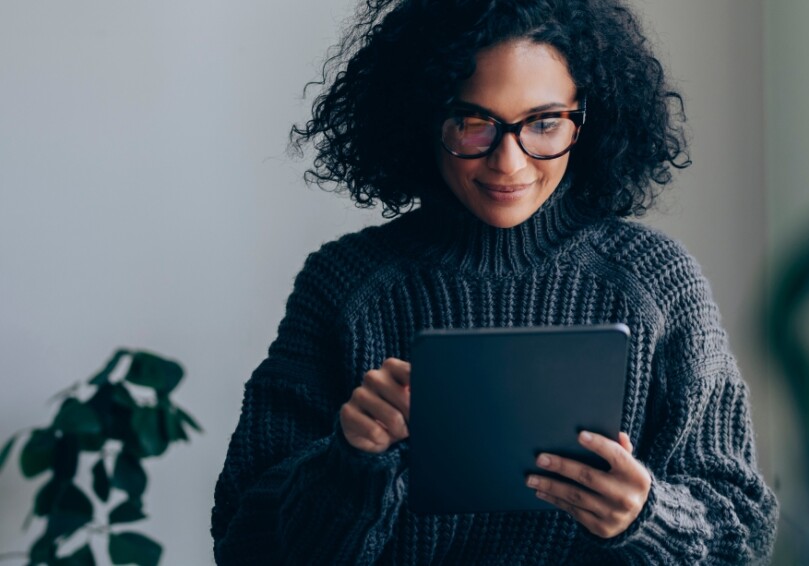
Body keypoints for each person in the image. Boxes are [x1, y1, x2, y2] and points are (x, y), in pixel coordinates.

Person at [211, 0, 778, 563]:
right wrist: (349, 461)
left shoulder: (655, 283)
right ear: (424, 116)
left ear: (588, 117)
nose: (509, 162)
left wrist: (646, 519)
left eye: (545, 122)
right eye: (474, 122)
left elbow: (744, 529)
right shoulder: (345, 287)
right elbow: (243, 541)